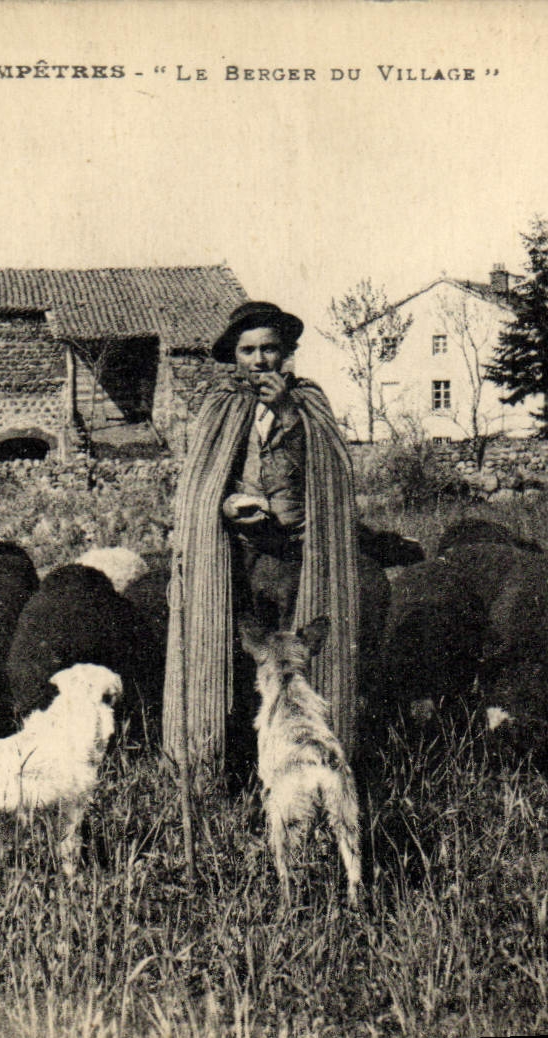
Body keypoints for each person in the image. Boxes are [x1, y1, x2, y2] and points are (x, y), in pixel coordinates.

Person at [162, 301, 366, 788]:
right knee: (232, 663)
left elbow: (334, 470)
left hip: (300, 561)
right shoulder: (219, 409)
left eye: (269, 349)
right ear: (234, 356)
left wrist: (288, 414)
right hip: (236, 564)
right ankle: (227, 772)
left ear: (286, 353)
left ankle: (304, 773)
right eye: (248, 350)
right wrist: (227, 504)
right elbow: (201, 487)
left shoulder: (309, 403)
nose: (259, 360)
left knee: (297, 666)